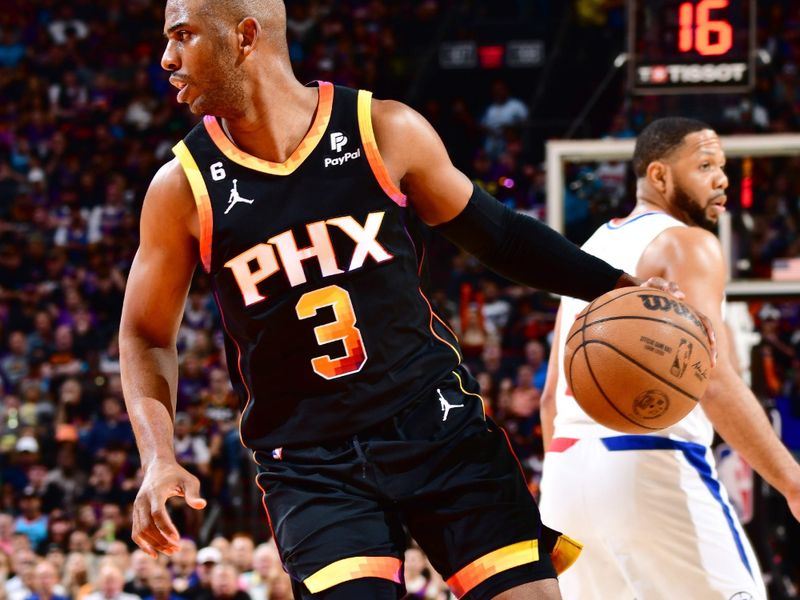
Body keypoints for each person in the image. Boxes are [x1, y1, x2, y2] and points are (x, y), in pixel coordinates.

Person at [119, 2, 694, 599]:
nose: (167, 58)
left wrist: (618, 287)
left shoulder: (383, 129)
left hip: (437, 426)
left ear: (244, 37)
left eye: (183, 36)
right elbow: (144, 333)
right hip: (312, 465)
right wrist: (158, 457)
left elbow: (499, 235)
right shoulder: (182, 187)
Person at [539, 117, 800, 599]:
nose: (722, 178)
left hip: (564, 477)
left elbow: (551, 397)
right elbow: (712, 379)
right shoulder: (689, 243)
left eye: (722, 166)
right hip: (650, 464)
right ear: (659, 176)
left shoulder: (591, 247)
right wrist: (792, 482)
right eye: (704, 165)